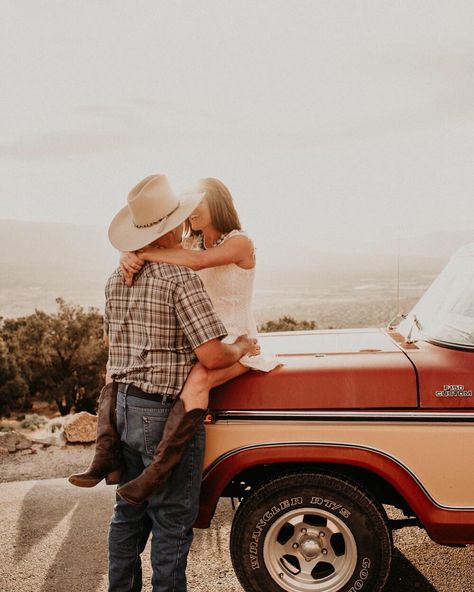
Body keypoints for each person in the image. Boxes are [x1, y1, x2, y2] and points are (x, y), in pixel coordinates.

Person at [71, 174, 259, 591]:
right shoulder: (179, 277)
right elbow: (210, 355)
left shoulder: (115, 277)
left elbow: (110, 342)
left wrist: (132, 254)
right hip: (161, 411)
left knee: (127, 513)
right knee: (172, 523)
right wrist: (243, 346)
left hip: (124, 405)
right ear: (170, 226)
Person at [114, 178, 279, 506]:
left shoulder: (240, 242)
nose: (190, 215)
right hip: (204, 338)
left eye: (196, 206)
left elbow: (198, 263)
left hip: (237, 339)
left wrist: (142, 251)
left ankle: (159, 469)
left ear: (216, 202)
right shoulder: (193, 243)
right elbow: (161, 249)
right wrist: (127, 253)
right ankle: (113, 456)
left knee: (200, 376)